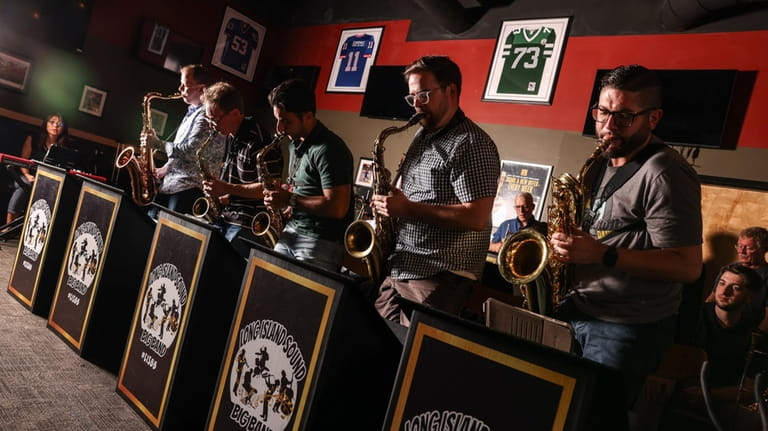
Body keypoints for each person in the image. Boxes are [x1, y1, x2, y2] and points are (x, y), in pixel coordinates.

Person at [549, 65, 703, 413]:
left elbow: (688, 266)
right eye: (602, 112)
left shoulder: (665, 173)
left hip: (625, 328)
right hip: (581, 312)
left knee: (591, 418)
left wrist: (603, 255)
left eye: (624, 116)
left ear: (653, 118)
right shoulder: (601, 160)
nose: (607, 126)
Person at [370, 56, 501, 326]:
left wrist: (407, 208)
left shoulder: (473, 144)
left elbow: (476, 217)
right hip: (403, 266)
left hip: (439, 276)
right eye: (412, 97)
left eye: (424, 95)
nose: (416, 105)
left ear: (451, 91)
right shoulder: (422, 136)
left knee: (409, 359)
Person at [262, 79, 354, 273]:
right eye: (278, 120)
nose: (279, 128)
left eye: (286, 121)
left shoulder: (329, 149)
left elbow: (337, 207)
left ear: (308, 116)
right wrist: (287, 206)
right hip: (293, 231)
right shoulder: (295, 142)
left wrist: (291, 199)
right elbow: (303, 190)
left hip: (320, 241)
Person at [200, 81, 282, 259]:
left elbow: (269, 189)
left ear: (235, 113)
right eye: (208, 119)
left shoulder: (259, 141)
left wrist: (226, 188)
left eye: (215, 119)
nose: (211, 125)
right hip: (228, 214)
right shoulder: (230, 135)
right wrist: (220, 194)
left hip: (248, 222)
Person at [141, 64, 224, 218]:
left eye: (186, 85)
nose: (180, 89)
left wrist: (158, 144)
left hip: (189, 188)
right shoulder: (192, 112)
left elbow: (191, 151)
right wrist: (166, 168)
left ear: (201, 89)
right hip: (173, 185)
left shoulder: (206, 115)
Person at [6, 113, 69, 225]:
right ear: (46, 124)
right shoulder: (33, 139)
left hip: (49, 180)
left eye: (60, 124)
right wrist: (27, 175)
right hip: (28, 176)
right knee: (24, 185)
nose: (56, 126)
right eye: (52, 122)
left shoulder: (64, 146)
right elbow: (23, 161)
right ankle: (8, 225)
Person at [706, 226, 768, 332]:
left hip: (747, 332)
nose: (741, 251)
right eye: (739, 246)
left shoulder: (766, 275)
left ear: (763, 249)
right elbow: (711, 299)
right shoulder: (730, 269)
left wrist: (756, 339)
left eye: (748, 248)